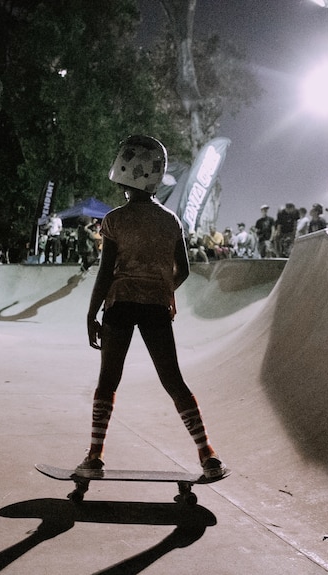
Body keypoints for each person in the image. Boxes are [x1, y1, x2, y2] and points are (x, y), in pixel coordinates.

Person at [76, 135, 229, 480]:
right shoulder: (171, 221)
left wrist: (90, 314)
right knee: (174, 380)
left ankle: (95, 454)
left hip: (120, 305)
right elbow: (184, 269)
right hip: (156, 308)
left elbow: (105, 272)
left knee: (108, 381)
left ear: (123, 176)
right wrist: (164, 289)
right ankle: (208, 455)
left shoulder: (114, 220)